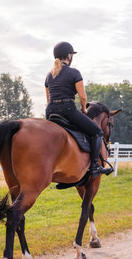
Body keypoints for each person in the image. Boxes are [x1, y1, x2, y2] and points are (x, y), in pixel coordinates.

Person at [45, 41, 112, 177]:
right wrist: (83, 110)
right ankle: (94, 167)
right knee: (97, 132)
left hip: (51, 111)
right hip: (67, 110)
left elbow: (48, 99)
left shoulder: (49, 75)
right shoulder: (74, 72)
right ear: (69, 56)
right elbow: (82, 97)